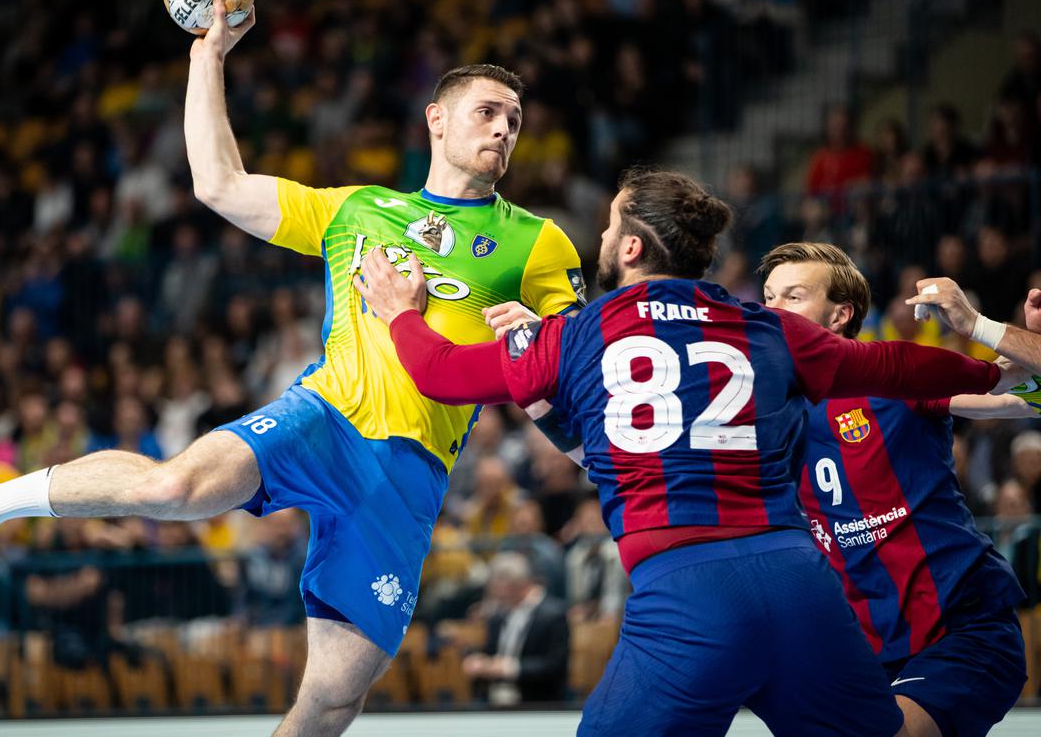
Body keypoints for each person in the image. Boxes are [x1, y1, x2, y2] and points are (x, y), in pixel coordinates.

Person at [0, 0, 583, 736]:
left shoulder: (538, 243)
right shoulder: (357, 210)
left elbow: (574, 369)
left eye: (514, 122)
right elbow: (218, 184)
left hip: (410, 473)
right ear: (436, 119)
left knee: (330, 703)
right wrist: (208, 56)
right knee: (173, 485)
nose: (503, 129)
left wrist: (544, 341)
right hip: (324, 417)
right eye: (488, 112)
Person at [353, 168, 1025, 735]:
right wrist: (994, 367)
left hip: (687, 592)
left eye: (612, 228)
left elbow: (440, 373)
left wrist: (400, 312)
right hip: (801, 583)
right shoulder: (768, 329)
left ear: (635, 248)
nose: (604, 237)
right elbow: (899, 365)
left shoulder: (574, 336)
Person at [760, 242, 1029, 737]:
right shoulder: (765, 413)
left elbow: (1027, 397)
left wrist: (986, 330)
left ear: (840, 314)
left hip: (960, 626)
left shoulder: (893, 376)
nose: (773, 311)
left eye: (793, 297)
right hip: (862, 646)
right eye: (768, 297)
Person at [462, 551, 569, 705]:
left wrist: (509, 668)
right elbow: (491, 652)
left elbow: (555, 666)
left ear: (519, 584)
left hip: (538, 704)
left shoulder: (553, 615)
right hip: (493, 701)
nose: (496, 596)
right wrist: (477, 658)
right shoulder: (498, 615)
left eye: (499, 588)